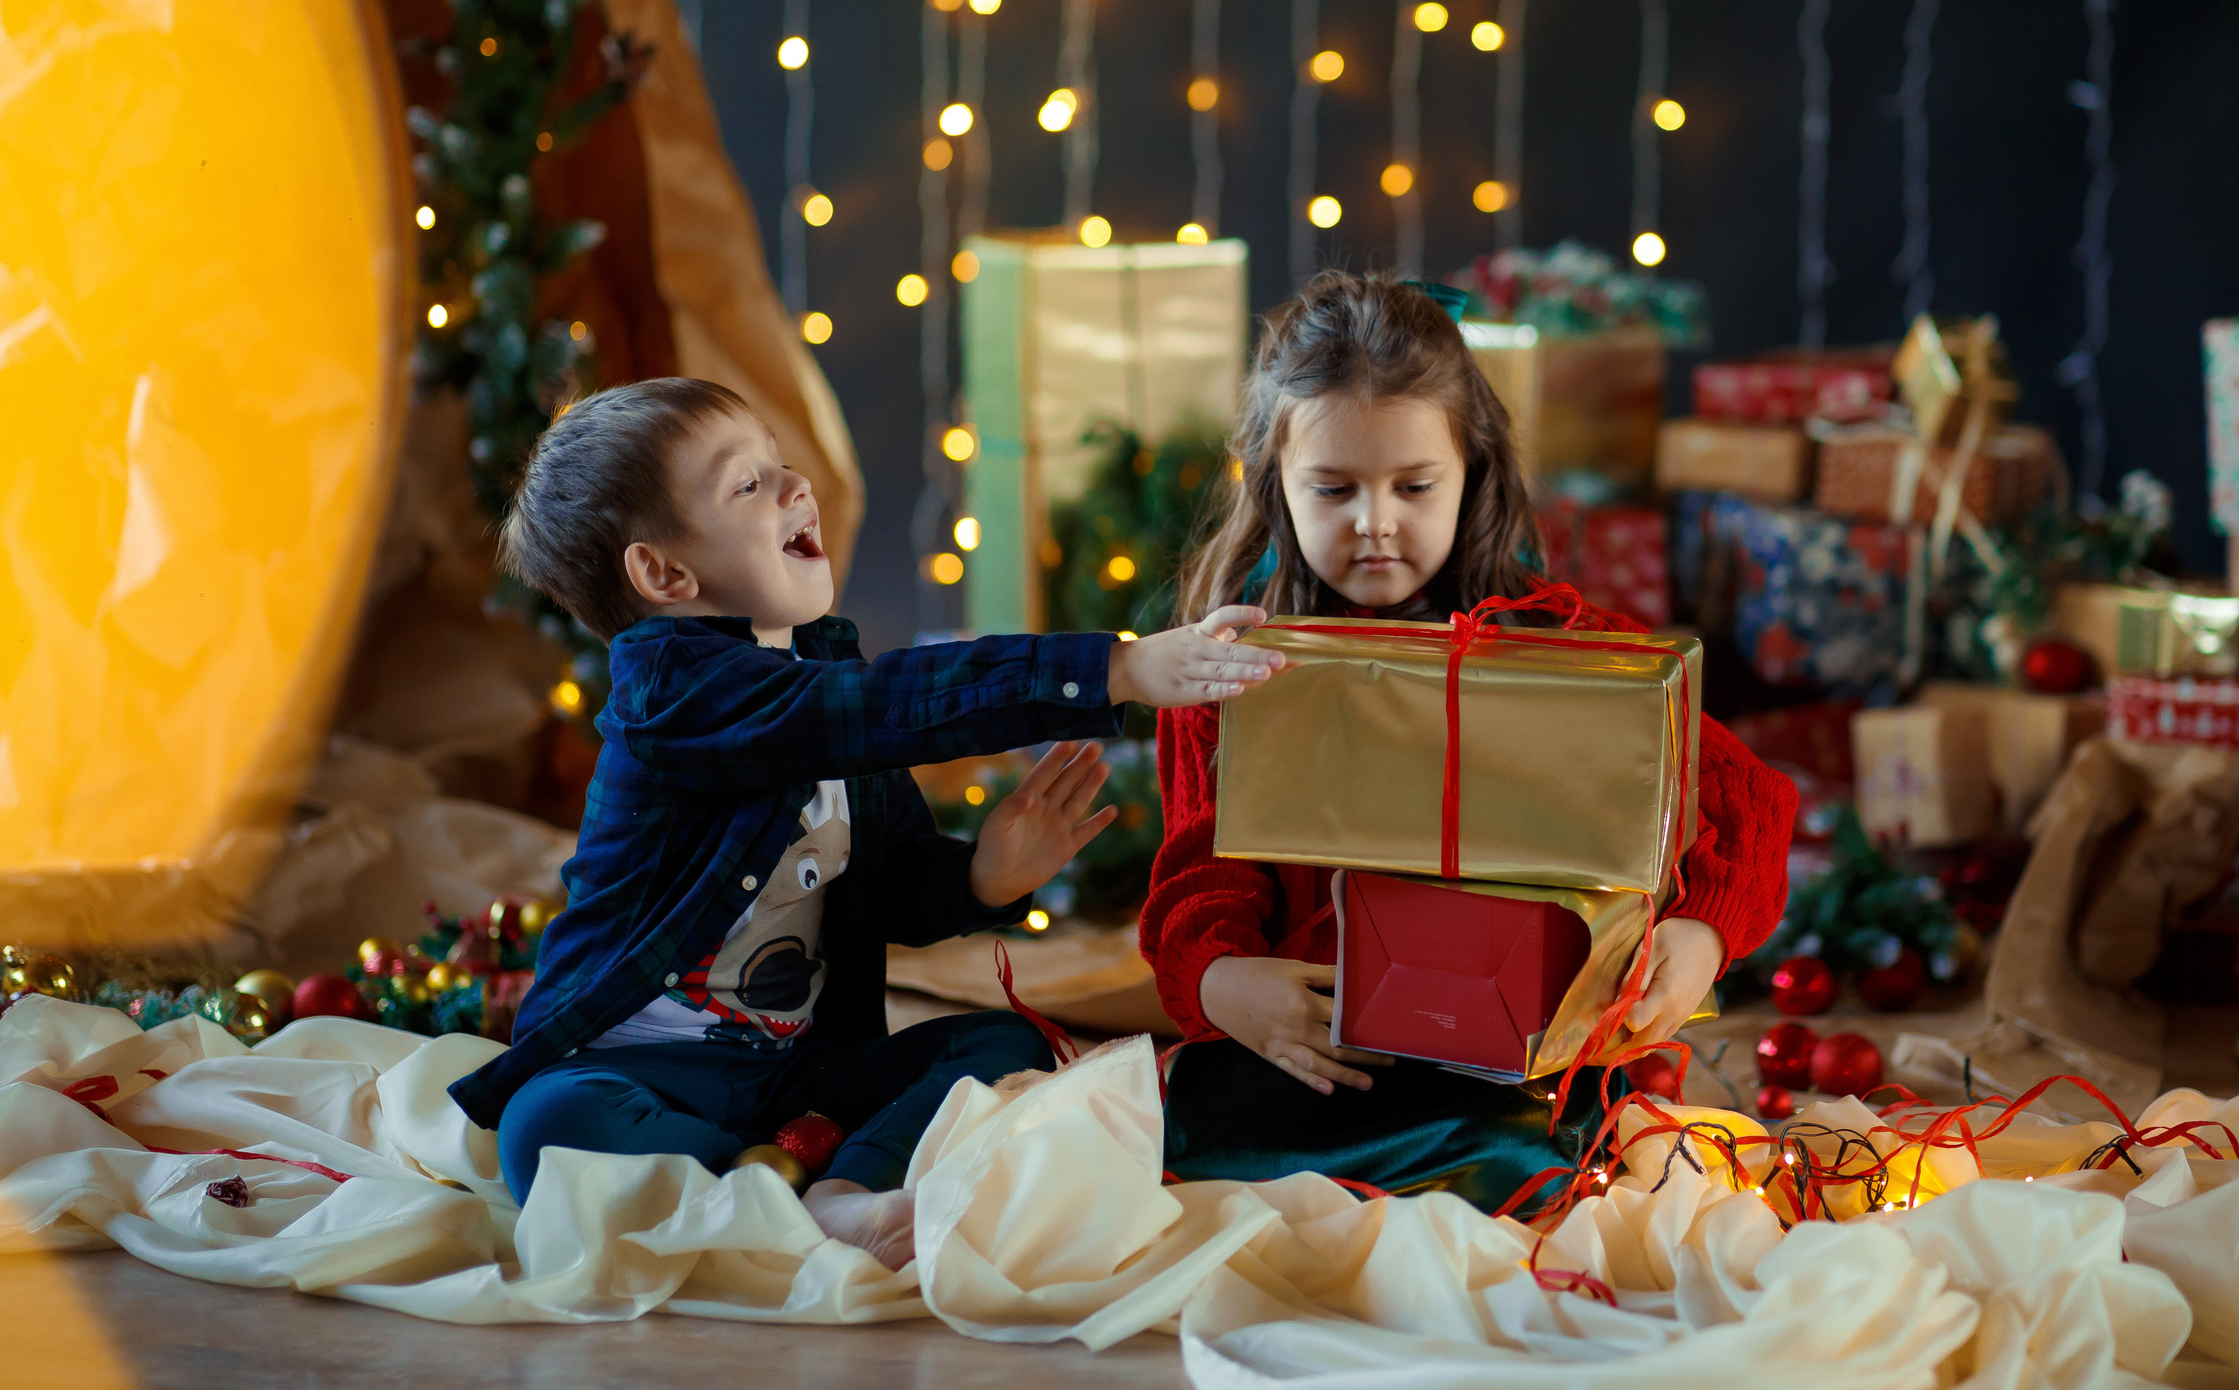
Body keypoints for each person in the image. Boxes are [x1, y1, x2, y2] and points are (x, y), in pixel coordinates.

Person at [450, 377, 1282, 1269]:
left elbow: (893, 884)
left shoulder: (821, 675)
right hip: (636, 1069)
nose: (794, 486)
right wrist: (1113, 669)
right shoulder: (672, 689)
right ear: (664, 573)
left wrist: (980, 879)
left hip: (791, 1069)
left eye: (781, 463)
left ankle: (838, 1182)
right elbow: (886, 704)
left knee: (1000, 1039)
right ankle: (782, 1181)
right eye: (748, 483)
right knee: (548, 1126)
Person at [1140, 275, 1795, 1211]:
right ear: (1273, 478)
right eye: (1333, 487)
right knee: (1175, 1140)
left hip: (1527, 1065)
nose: (1375, 520)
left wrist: (1701, 929)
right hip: (1325, 1055)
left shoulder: (1562, 649)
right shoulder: (1232, 670)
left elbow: (1749, 799)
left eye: (1414, 486)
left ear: (1471, 472)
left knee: (1540, 1159)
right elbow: (1202, 868)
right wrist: (1218, 981)